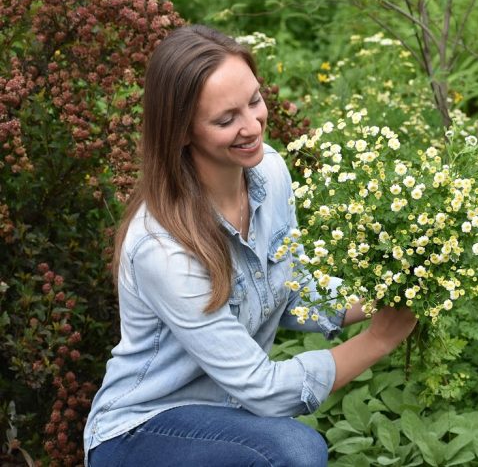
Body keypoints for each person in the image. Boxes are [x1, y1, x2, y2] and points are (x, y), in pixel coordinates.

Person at [83, 25, 417, 466]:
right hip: (141, 430)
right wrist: (378, 340)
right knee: (292, 451)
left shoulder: (270, 173)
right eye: (226, 119)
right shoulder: (163, 247)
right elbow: (264, 390)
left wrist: (397, 291)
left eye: (255, 101)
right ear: (182, 131)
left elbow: (291, 286)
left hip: (229, 419)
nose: (252, 126)